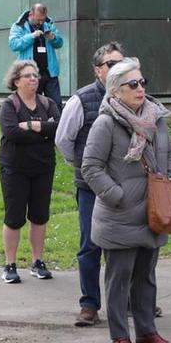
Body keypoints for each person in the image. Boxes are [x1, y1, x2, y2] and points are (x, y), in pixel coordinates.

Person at [77, 59, 171, 343]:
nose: (140, 88)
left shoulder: (156, 118)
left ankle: (147, 332)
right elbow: (91, 167)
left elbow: (169, 155)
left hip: (153, 212)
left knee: (146, 276)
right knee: (119, 279)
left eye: (142, 82)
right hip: (119, 215)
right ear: (115, 91)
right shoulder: (106, 122)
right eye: (132, 84)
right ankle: (120, 336)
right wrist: (117, 196)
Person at [56, 42, 125, 325]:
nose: (118, 69)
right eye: (112, 64)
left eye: (122, 63)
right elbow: (64, 140)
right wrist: (85, 168)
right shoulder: (81, 100)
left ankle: (127, 302)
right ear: (98, 70)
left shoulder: (134, 96)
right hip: (92, 189)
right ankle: (90, 305)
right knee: (90, 245)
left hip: (126, 188)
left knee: (125, 247)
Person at [0, 59, 60, 283]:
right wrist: (43, 131)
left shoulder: (48, 103)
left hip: (43, 167)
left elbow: (58, 128)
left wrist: (33, 125)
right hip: (14, 169)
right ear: (16, 81)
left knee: (40, 216)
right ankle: (10, 264)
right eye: (28, 76)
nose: (34, 79)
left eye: (35, 75)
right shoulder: (9, 105)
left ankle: (37, 262)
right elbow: (12, 133)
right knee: (14, 218)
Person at [9, 3, 66, 101]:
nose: (41, 23)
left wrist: (53, 38)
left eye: (42, 20)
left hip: (49, 72)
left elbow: (60, 43)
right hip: (30, 74)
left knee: (56, 104)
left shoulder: (49, 24)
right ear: (31, 15)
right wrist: (32, 36)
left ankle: (56, 117)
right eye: (38, 20)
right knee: (32, 104)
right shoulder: (19, 25)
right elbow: (14, 44)